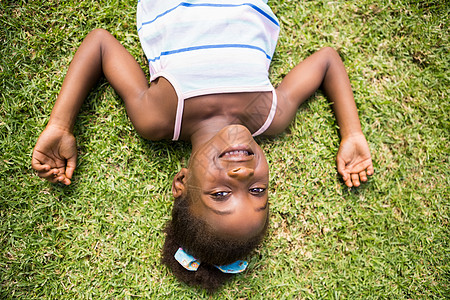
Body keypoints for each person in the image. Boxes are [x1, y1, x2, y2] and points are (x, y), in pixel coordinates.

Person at [31, 0, 374, 292]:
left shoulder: (159, 116)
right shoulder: (270, 112)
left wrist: (61, 124)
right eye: (257, 190)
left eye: (221, 194)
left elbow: (101, 44)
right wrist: (353, 134)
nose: (242, 173)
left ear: (181, 183)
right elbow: (328, 60)